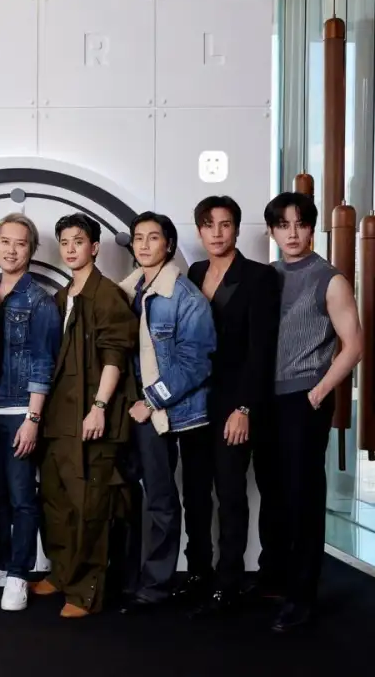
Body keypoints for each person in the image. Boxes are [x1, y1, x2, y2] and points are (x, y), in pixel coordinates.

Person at [259, 192, 362, 633]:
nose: (292, 233)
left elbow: (354, 345)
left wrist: (318, 391)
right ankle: (277, 581)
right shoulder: (268, 275)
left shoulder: (329, 279)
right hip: (268, 399)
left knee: (303, 497)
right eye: (283, 225)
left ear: (312, 228)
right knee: (274, 492)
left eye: (300, 224)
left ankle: (302, 597)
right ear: (272, 231)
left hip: (305, 398)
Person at [177, 196, 281, 617]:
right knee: (195, 492)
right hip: (194, 400)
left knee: (231, 492)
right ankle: (198, 572)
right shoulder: (195, 272)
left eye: (225, 224)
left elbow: (262, 350)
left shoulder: (259, 277)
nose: (217, 233)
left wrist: (245, 408)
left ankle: (229, 581)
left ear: (236, 228)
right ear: (199, 231)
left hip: (234, 401)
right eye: (208, 225)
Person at [32, 213, 137, 617]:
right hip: (58, 418)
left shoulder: (107, 294)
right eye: (65, 242)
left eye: (79, 241)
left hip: (92, 417)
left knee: (90, 505)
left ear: (94, 247)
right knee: (56, 500)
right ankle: (62, 573)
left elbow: (115, 356)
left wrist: (99, 408)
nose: (71, 248)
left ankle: (85, 592)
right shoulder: (61, 297)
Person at [117, 211, 216, 613]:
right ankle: (130, 578)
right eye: (138, 237)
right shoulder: (127, 291)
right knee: (132, 493)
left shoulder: (185, 296)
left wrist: (152, 400)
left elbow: (196, 362)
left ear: (169, 245)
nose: (143, 245)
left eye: (153, 237)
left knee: (161, 498)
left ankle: (157, 584)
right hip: (135, 410)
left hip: (172, 412)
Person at [0, 214, 61, 612]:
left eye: (21, 243)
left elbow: (44, 362)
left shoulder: (40, 301)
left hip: (18, 411)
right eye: (5, 242)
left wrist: (33, 418)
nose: (11, 250)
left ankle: (19, 574)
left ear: (31, 250)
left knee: (22, 496)